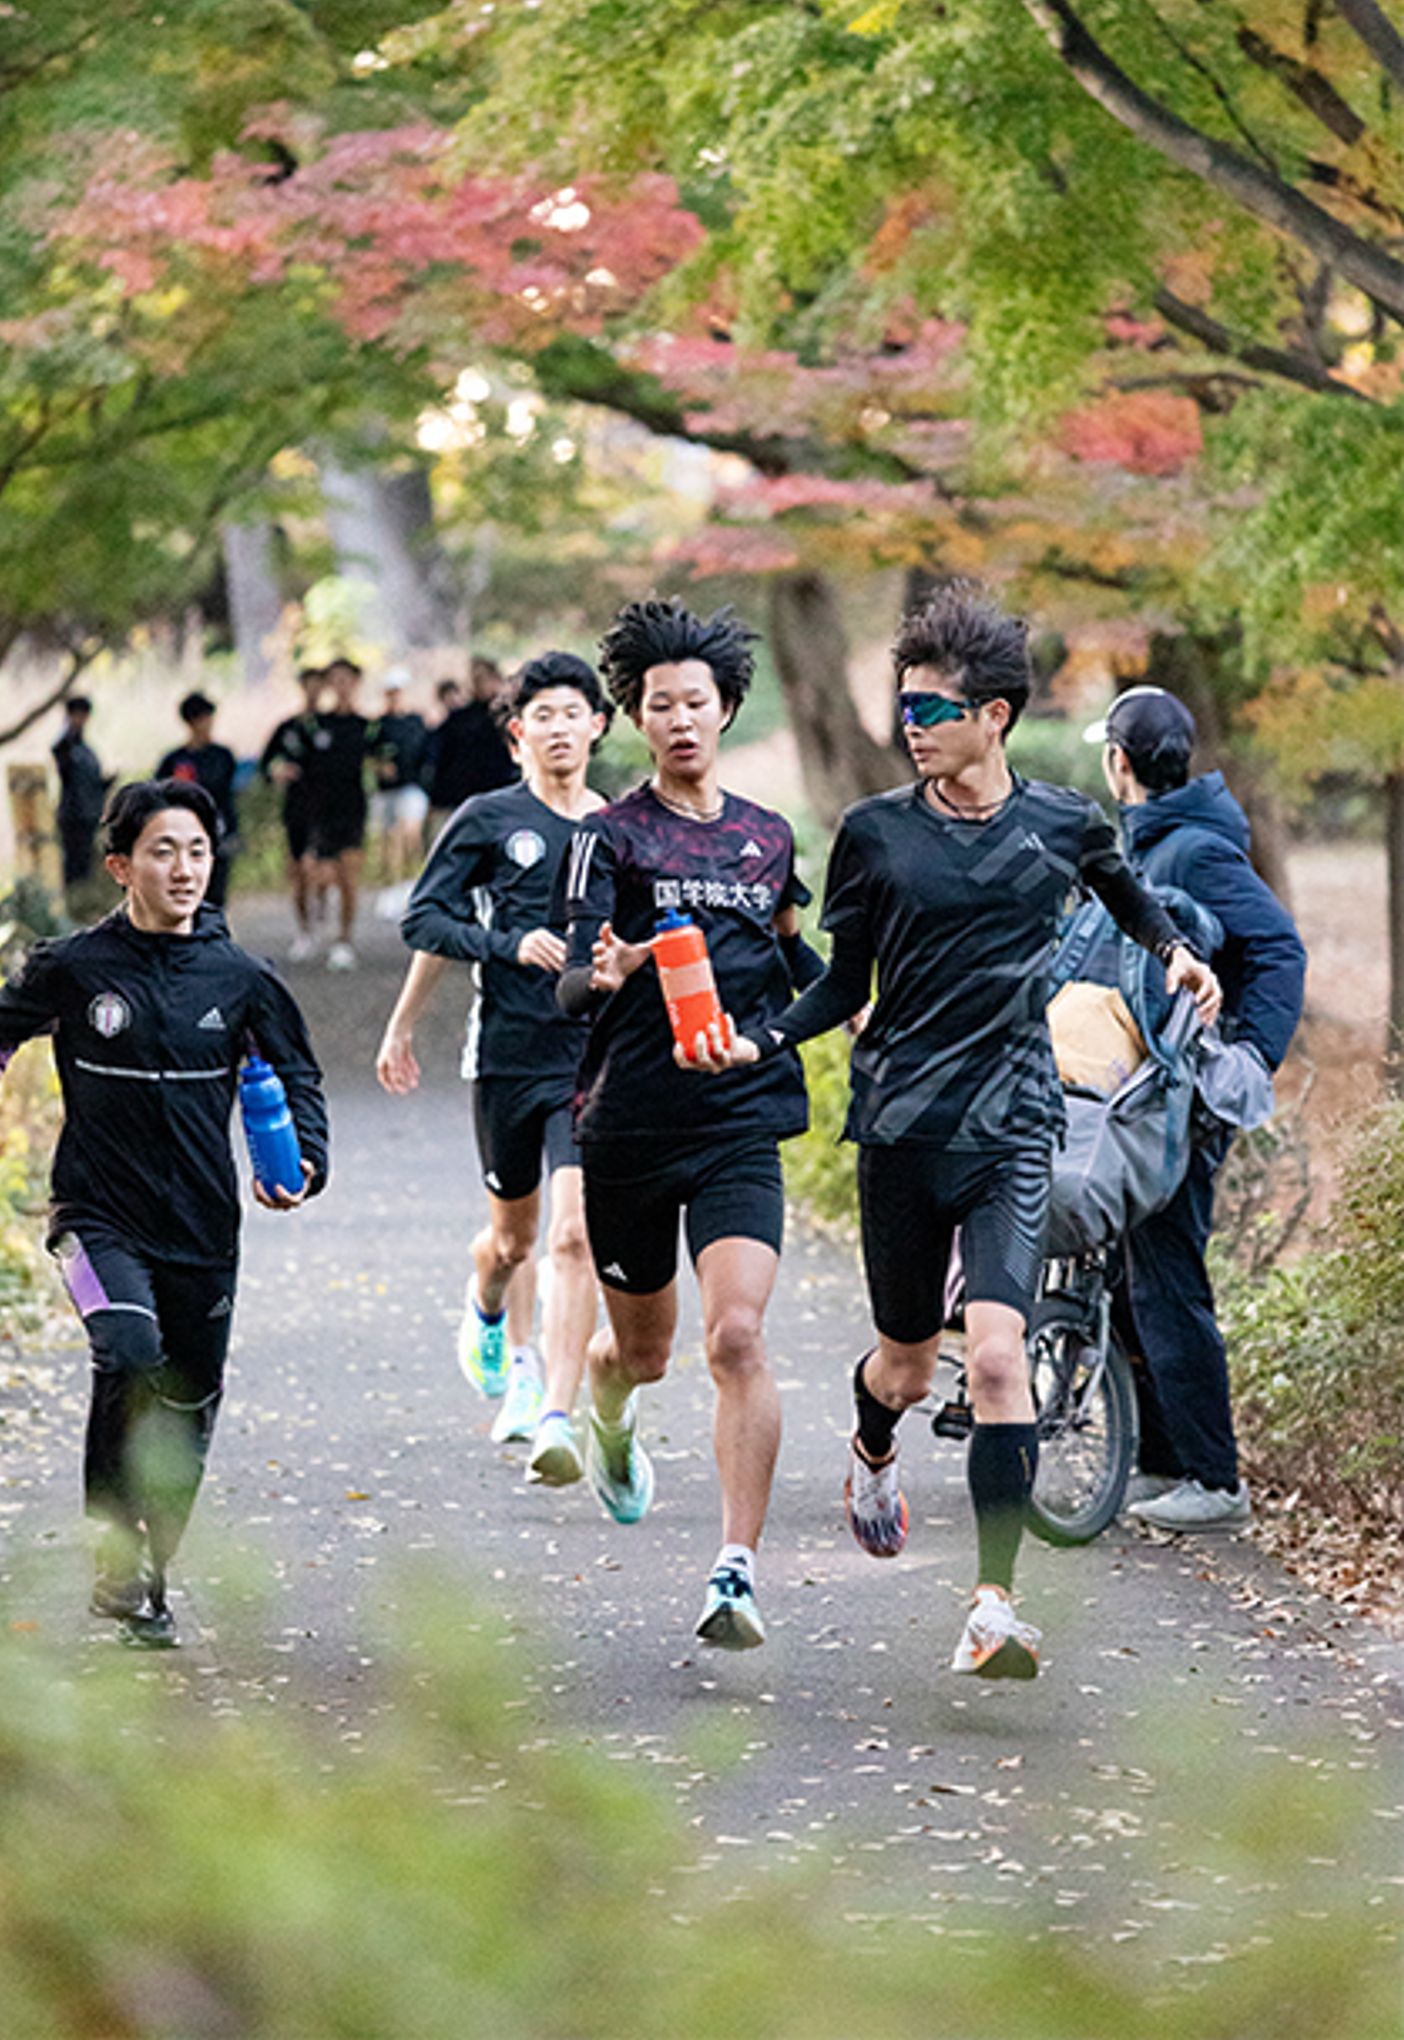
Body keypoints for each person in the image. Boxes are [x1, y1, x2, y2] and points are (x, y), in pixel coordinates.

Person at [688, 586, 1221, 1680]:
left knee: (994, 1359)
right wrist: (762, 1039)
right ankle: (873, 1443)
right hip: (902, 1126)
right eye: (904, 707)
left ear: (995, 716)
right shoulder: (874, 834)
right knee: (902, 1363)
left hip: (1014, 1125)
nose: (911, 726)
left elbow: (1129, 897)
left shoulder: (1065, 824)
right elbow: (843, 984)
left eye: (930, 709)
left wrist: (1178, 955)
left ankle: (992, 1606)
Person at [0, 779, 328, 1649]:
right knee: (127, 1348)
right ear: (120, 866)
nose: (183, 869)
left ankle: (150, 1572)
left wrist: (308, 1162)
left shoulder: (241, 979)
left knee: (186, 1411)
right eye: (162, 851)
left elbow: (299, 1075)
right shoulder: (74, 968)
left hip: (203, 1230)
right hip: (95, 1216)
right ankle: (113, 1550)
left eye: (197, 852)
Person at [554, 599, 826, 1651]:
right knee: (646, 1354)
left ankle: (735, 1570)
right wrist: (609, 968)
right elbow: (568, 987)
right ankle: (608, 1404)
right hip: (629, 1124)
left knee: (738, 1335)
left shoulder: (767, 837)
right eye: (659, 705)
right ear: (636, 717)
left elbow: (798, 957)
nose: (679, 720)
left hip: (736, 1119)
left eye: (695, 703)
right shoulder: (608, 837)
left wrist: (858, 1004)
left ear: (726, 711)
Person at [376, 653, 608, 1480]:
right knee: (512, 1241)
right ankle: (487, 1307)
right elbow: (425, 922)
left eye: (572, 713)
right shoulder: (487, 819)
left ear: (597, 726)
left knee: (574, 1235)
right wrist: (501, 949)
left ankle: (549, 1404)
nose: (558, 728)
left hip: (590, 1061)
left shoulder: (620, 828)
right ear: (517, 735)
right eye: (542, 715)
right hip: (508, 1054)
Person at [1086, 685, 1307, 1532]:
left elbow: (1279, 945)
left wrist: (1248, 1056)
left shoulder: (1192, 852)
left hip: (1188, 1097)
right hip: (1146, 1090)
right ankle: (1163, 1457)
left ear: (1119, 763)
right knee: (1130, 1266)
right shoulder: (1154, 846)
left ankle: (1214, 1479)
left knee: (1167, 1271)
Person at [303, 658, 371, 970]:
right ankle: (318, 922)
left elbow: (383, 757)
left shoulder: (366, 726)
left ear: (355, 683)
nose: (341, 685)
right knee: (320, 876)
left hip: (352, 808)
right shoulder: (316, 725)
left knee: (348, 876)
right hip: (320, 810)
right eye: (335, 679)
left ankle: (344, 940)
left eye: (347, 679)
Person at [260, 666, 327, 960]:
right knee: (298, 869)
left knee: (320, 867)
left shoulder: (332, 725)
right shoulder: (288, 727)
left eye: (317, 685)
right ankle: (304, 929)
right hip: (297, 806)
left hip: (327, 807)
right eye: (308, 685)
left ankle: (322, 905)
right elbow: (265, 763)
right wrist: (277, 771)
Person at [157, 692, 240, 908]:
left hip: (218, 830)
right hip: (184, 834)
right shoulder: (174, 760)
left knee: (216, 891)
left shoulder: (223, 755)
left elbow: (229, 795)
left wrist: (233, 830)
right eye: (203, 719)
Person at [427, 657, 518, 832]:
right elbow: (444, 759)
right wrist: (437, 799)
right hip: (463, 801)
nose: (479, 684)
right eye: (475, 678)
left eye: (484, 678)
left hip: (502, 798)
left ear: (495, 680)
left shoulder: (509, 717)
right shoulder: (458, 719)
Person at [367, 670, 432, 904]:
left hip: (411, 787)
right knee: (388, 840)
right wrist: (379, 766)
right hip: (386, 790)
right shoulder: (378, 725)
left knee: (409, 834)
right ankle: (391, 885)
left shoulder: (416, 722)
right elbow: (368, 755)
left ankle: (413, 882)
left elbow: (427, 753)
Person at [52, 695, 113, 912]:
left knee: (86, 864)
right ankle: (72, 904)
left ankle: (83, 904)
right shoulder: (67, 746)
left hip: (89, 814)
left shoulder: (86, 750)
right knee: (73, 865)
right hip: (73, 815)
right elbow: (60, 755)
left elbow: (92, 781)